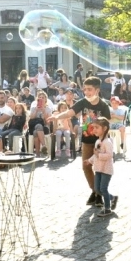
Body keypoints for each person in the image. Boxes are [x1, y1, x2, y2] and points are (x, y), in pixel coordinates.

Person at [49, 76, 112, 206]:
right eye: (85, 89)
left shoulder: (104, 105)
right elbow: (69, 113)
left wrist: (102, 141)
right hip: (87, 140)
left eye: (89, 89)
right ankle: (96, 192)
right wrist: (56, 117)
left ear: (97, 90)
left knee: (100, 169)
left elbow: (107, 125)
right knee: (86, 166)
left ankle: (99, 194)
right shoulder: (83, 102)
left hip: (100, 141)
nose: (86, 92)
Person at [87, 117, 117, 217]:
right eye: (93, 127)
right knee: (97, 189)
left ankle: (107, 209)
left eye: (96, 127)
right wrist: (90, 161)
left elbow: (110, 155)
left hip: (106, 169)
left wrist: (98, 155)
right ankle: (112, 198)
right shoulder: (97, 141)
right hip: (98, 168)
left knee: (103, 188)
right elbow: (95, 154)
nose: (94, 129)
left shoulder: (107, 142)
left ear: (104, 128)